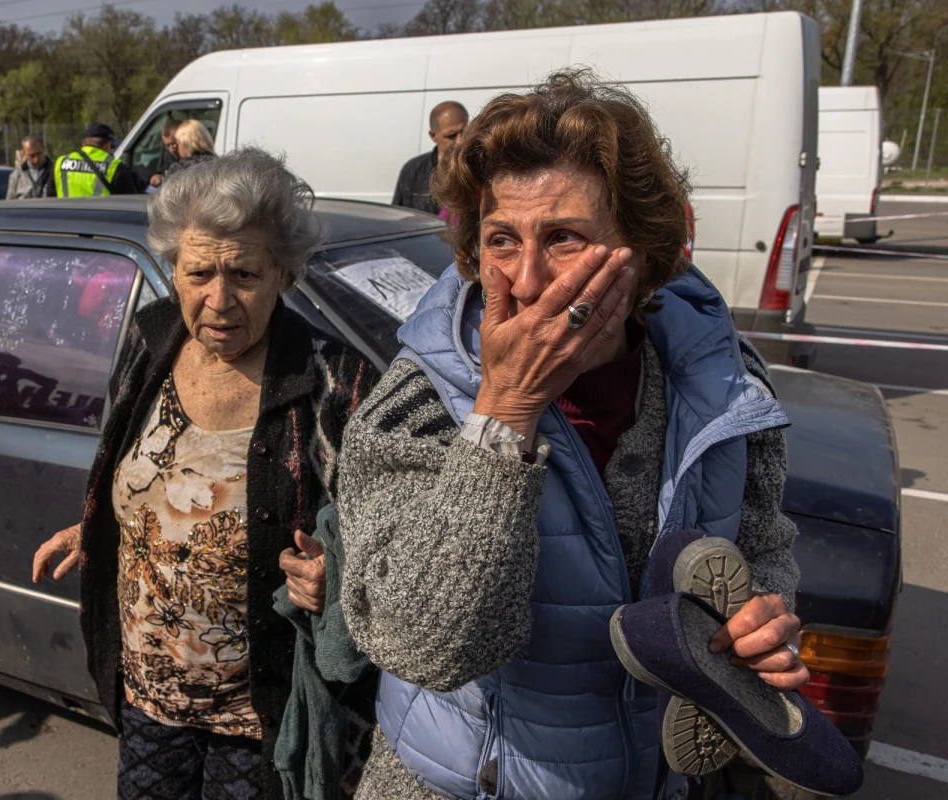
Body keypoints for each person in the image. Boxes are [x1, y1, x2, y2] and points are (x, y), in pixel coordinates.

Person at [339, 70, 804, 800]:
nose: (525, 280)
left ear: (644, 251)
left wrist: (762, 624)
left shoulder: (721, 384)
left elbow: (762, 547)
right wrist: (505, 411)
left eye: (563, 239)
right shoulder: (418, 396)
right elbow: (421, 645)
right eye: (501, 239)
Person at [30, 148, 379, 800]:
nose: (218, 300)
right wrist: (100, 525)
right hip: (147, 696)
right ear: (174, 269)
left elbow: (385, 530)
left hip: (258, 709)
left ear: (283, 272)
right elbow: (133, 464)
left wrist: (339, 574)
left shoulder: (335, 378)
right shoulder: (151, 339)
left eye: (244, 274)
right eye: (199, 272)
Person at [391, 101, 468, 216]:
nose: (460, 141)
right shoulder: (413, 170)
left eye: (465, 131)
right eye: (451, 136)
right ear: (433, 136)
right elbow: (395, 217)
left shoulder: (481, 168)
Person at [53, 122, 137, 197]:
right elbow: (129, 202)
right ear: (107, 145)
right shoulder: (114, 166)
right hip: (101, 215)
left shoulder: (60, 162)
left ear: (83, 143)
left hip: (64, 214)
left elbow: (50, 196)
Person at [146, 118, 182, 188]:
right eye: (168, 145)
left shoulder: (196, 161)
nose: (172, 150)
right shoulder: (166, 160)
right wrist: (153, 177)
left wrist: (165, 180)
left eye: (175, 144)